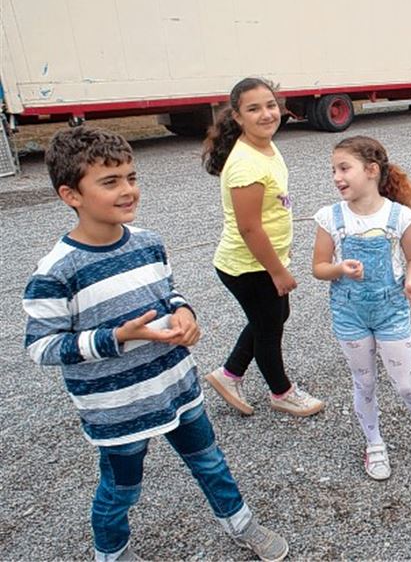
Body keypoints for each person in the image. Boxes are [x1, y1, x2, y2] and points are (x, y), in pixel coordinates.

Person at [23, 127, 288, 562]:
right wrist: (116, 339)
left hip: (178, 389)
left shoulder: (148, 243)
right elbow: (42, 347)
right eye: (110, 182)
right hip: (119, 410)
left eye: (131, 177)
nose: (128, 190)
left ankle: (240, 524)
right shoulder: (56, 272)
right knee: (121, 488)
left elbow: (169, 295)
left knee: (210, 463)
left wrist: (186, 314)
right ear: (71, 194)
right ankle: (112, 552)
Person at [312, 136, 411, 480]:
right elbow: (319, 268)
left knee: (406, 383)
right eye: (333, 170)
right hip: (349, 314)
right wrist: (339, 268)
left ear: (371, 171)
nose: (337, 176)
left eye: (344, 168)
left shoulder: (400, 216)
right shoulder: (329, 217)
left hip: (392, 310)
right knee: (364, 383)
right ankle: (374, 442)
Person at [202, 77, 323, 417]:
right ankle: (281, 392)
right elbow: (249, 227)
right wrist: (278, 270)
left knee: (272, 316)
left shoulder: (264, 145)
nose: (266, 114)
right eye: (253, 109)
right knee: (269, 326)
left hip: (260, 260)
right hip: (247, 266)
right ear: (237, 117)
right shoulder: (245, 164)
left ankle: (229, 374)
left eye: (270, 105)